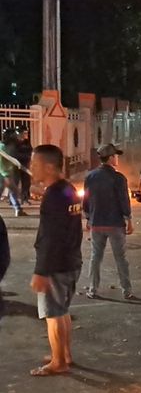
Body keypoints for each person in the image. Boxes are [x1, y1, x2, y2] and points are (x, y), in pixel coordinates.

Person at [28, 145, 83, 376]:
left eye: (35, 164)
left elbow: (49, 236)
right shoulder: (67, 190)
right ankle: (64, 354)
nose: (31, 168)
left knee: (53, 314)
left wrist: (41, 271)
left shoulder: (54, 196)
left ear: (49, 166)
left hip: (55, 265)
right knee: (62, 311)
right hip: (71, 260)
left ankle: (58, 362)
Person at [83, 144, 133, 299]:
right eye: (116, 155)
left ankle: (92, 289)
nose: (117, 158)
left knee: (95, 257)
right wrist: (128, 219)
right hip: (115, 224)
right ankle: (127, 290)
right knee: (121, 258)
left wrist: (88, 218)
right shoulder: (118, 178)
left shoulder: (90, 177)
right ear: (111, 158)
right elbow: (124, 201)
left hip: (97, 223)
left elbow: (86, 200)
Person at [0, 129, 26, 217]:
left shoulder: (3, 146)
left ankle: (18, 209)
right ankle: (18, 209)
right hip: (5, 173)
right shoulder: (7, 147)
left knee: (12, 191)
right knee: (13, 191)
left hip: (5, 173)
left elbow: (13, 160)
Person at [15, 128, 32, 204]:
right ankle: (13, 199)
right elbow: (14, 154)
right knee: (15, 183)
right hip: (17, 165)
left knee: (26, 182)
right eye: (25, 133)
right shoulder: (15, 143)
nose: (26, 135)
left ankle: (24, 198)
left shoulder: (27, 142)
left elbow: (30, 151)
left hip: (26, 165)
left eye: (27, 133)